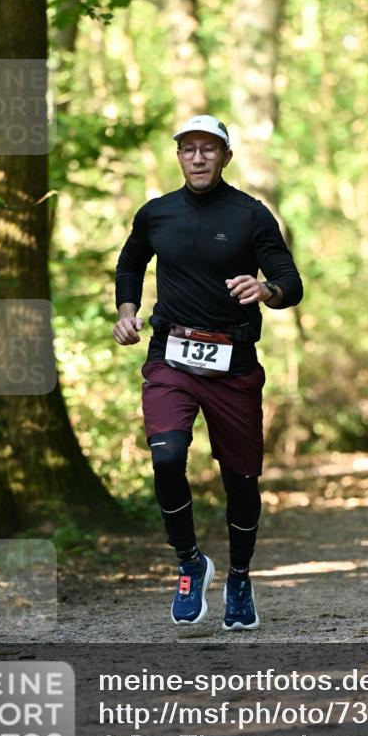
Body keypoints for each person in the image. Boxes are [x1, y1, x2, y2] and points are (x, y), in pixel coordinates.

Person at [113, 115, 303, 630]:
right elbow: (130, 265)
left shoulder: (251, 215)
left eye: (209, 149)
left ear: (225, 157)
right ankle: (189, 563)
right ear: (178, 156)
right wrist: (127, 310)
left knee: (240, 480)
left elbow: (290, 279)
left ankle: (239, 577)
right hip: (170, 355)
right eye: (189, 149)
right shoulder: (156, 214)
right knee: (167, 457)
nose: (198, 157)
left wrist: (267, 291)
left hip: (234, 362)